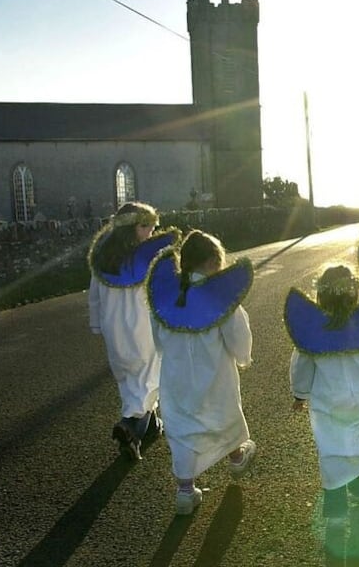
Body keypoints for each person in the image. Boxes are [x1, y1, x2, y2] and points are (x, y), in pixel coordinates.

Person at [287, 265, 359, 528]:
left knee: (332, 454)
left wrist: (300, 394)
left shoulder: (312, 333)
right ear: (354, 295)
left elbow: (301, 365)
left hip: (328, 406)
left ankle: (336, 512)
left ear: (320, 296)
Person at [150, 230, 256, 515]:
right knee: (224, 415)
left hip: (176, 379)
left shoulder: (165, 298)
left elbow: (158, 340)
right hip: (215, 375)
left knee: (182, 430)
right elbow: (238, 336)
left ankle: (185, 491)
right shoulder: (219, 298)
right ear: (211, 262)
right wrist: (243, 357)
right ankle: (236, 458)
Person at [88, 201, 176, 461]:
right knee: (149, 379)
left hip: (114, 331)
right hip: (143, 330)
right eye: (145, 226)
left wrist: (96, 323)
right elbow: (161, 291)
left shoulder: (103, 258)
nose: (151, 232)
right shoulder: (146, 259)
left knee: (130, 381)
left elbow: (94, 295)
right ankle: (130, 429)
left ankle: (151, 427)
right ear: (130, 229)